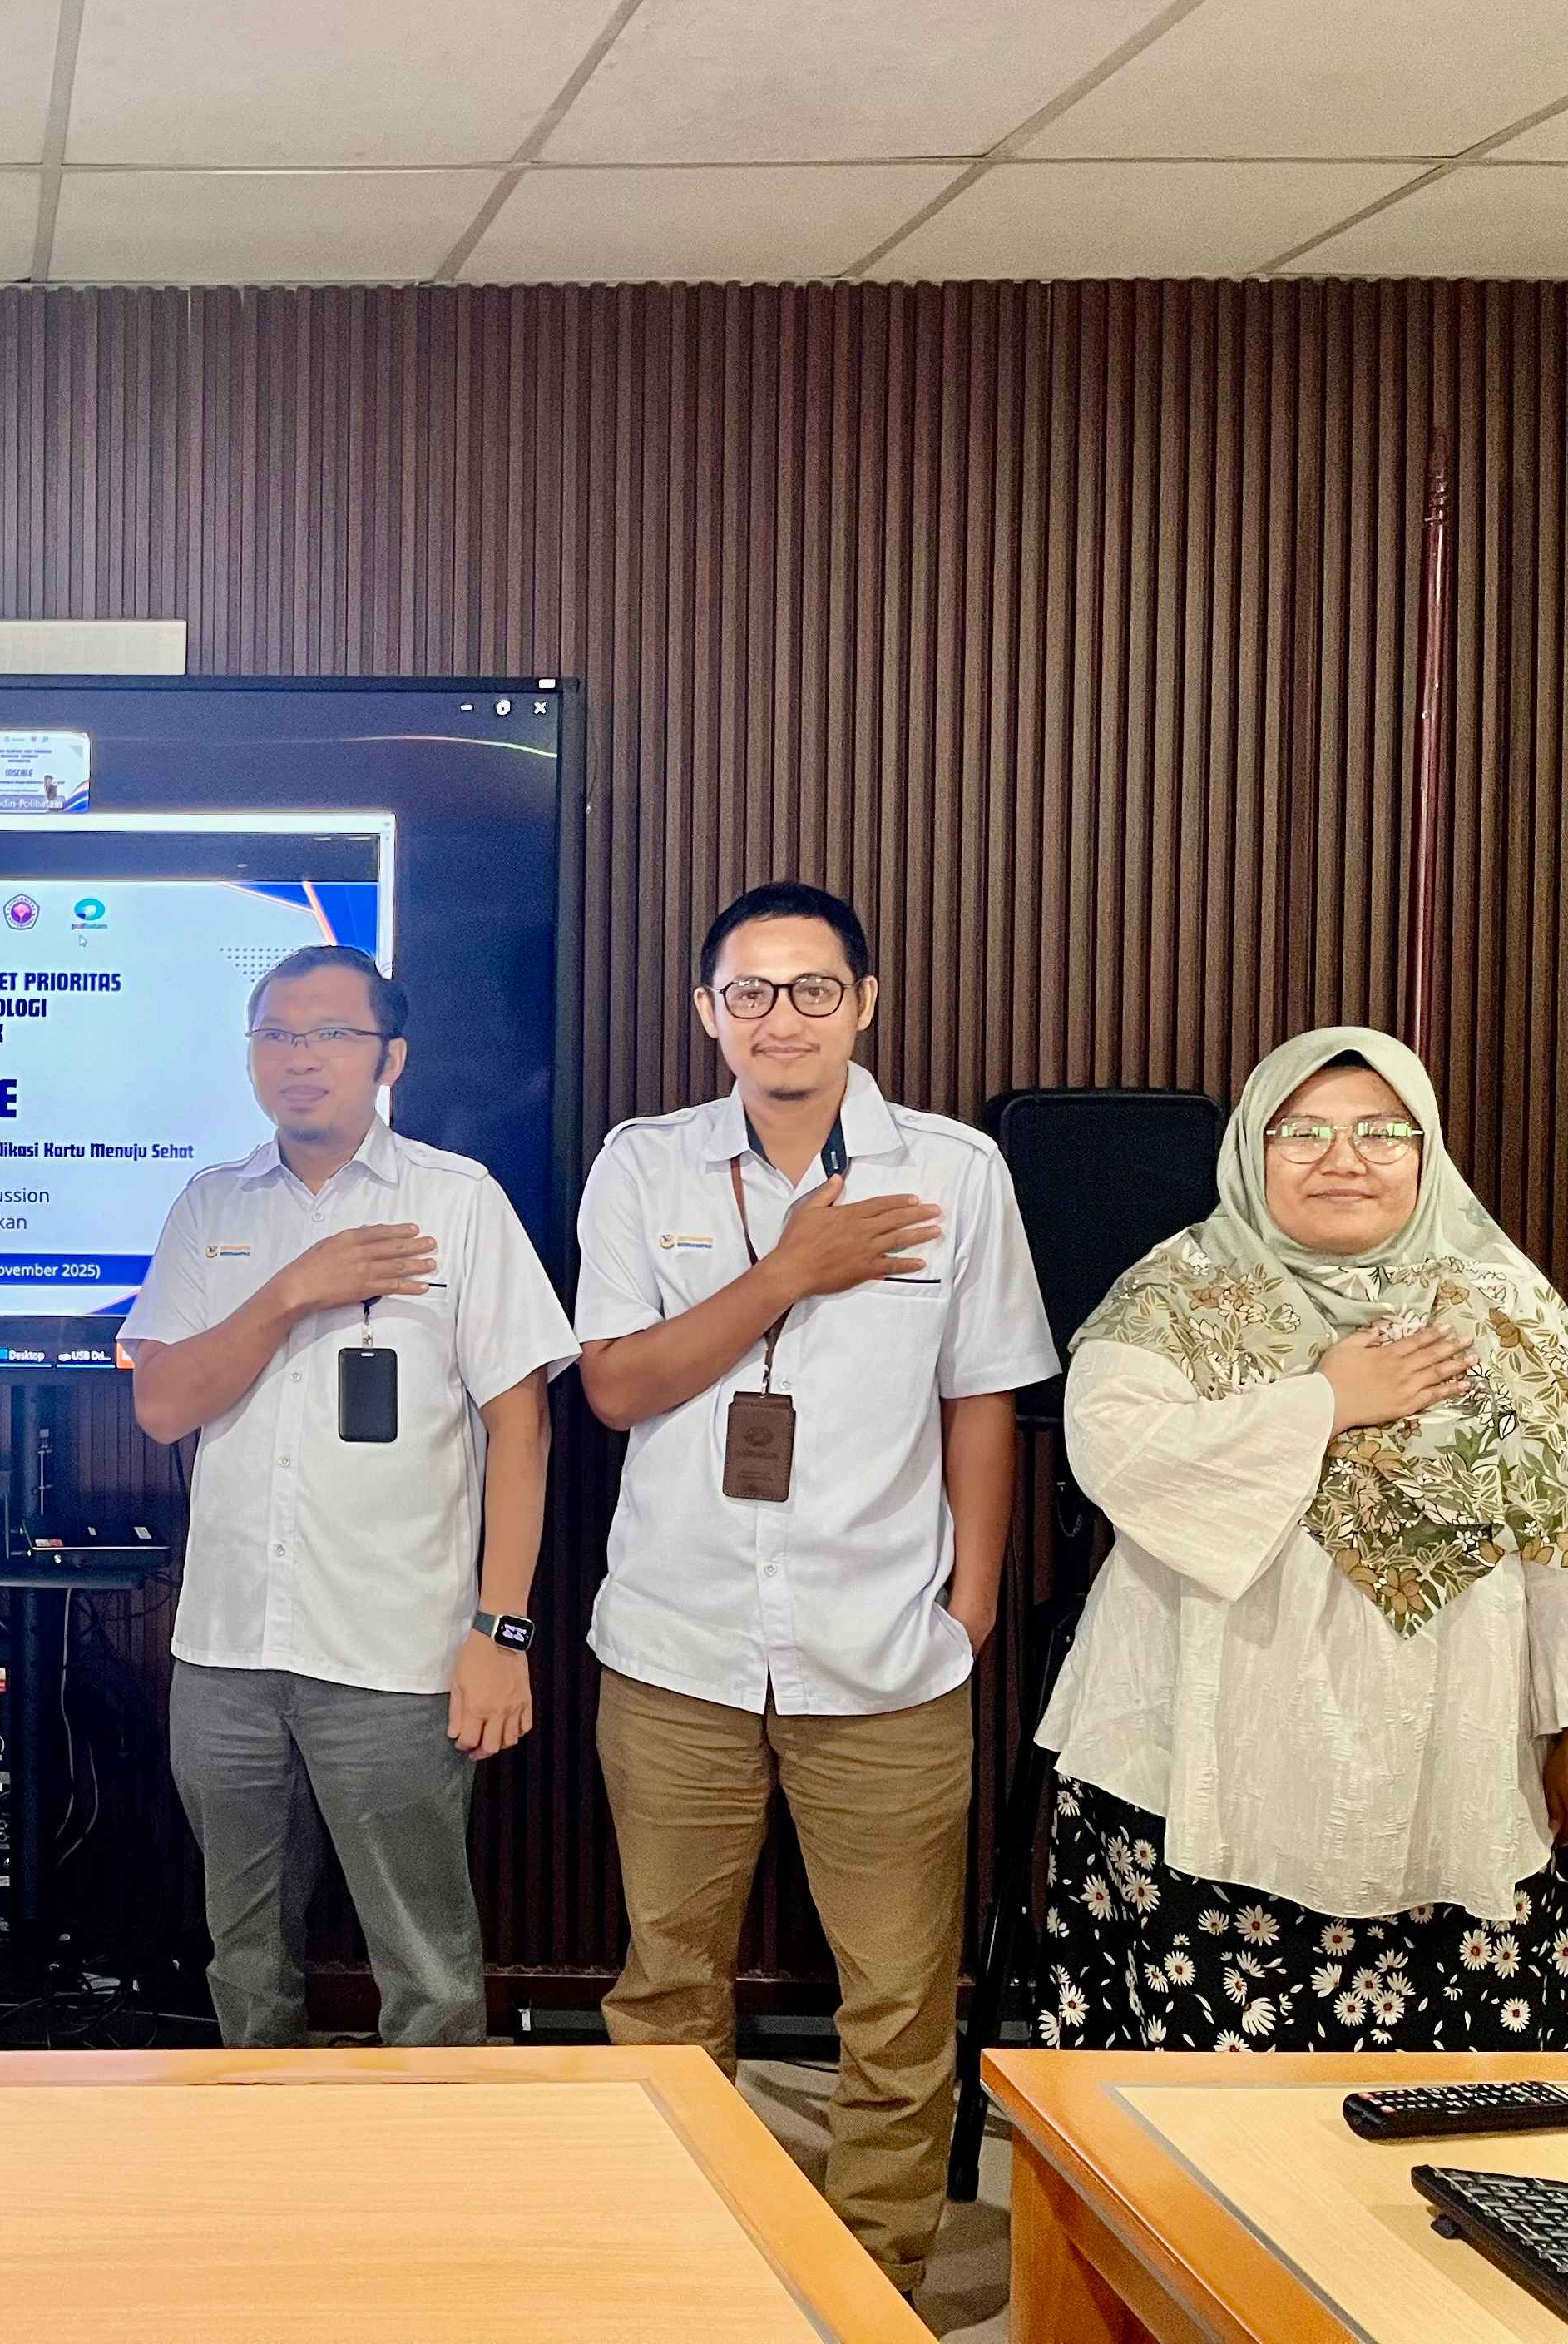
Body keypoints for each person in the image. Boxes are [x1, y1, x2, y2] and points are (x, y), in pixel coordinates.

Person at [572, 882, 1053, 2294]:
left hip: (884, 1649)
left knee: (897, 2001)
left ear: (865, 1002)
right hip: (675, 1646)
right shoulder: (644, 1165)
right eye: (750, 991)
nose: (780, 1016)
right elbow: (615, 1385)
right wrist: (789, 1271)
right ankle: (682, 2263)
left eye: (813, 988)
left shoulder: (954, 1171)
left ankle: (870, 2280)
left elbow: (982, 1397)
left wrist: (970, 1601)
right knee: (667, 1982)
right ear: (706, 1010)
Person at [1036, 1028, 1568, 2050]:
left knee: (1438, 2096)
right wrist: (1327, 1401)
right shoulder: (1174, 1292)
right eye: (1303, 1132)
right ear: (1251, 1148)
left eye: (1382, 1132)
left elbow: (1557, 1532)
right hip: (1197, 1739)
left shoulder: (1504, 1301)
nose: (1344, 1159)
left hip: (1450, 1751)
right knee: (1195, 2101)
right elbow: (1120, 1453)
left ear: (1426, 1151)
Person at [123, 943, 576, 2047]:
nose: (300, 1058)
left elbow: (522, 1427)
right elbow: (163, 1405)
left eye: (331, 1034)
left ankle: (430, 2156)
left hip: (396, 1656)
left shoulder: (458, 1202)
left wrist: (502, 1633)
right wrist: (291, 1290)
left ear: (391, 1058)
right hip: (227, 1653)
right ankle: (261, 2146)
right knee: (244, 1960)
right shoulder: (211, 1206)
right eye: (276, 1035)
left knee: (425, 1965)